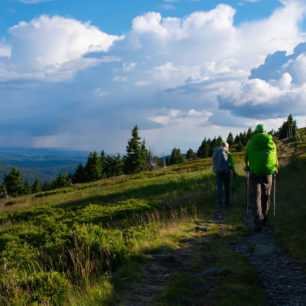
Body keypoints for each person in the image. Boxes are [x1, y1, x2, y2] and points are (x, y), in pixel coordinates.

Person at [245, 124, 278, 231]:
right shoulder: (271, 142)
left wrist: (248, 164)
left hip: (254, 172)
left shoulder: (251, 142)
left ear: (256, 132)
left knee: (256, 197)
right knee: (266, 195)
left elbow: (246, 156)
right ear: (265, 132)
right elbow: (275, 157)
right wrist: (275, 167)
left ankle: (257, 222)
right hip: (268, 172)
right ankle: (265, 220)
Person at [212, 141, 236, 208]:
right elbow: (232, 164)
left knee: (219, 188)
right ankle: (227, 203)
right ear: (227, 147)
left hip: (218, 172)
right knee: (227, 188)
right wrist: (234, 172)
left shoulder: (216, 151)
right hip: (226, 172)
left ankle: (219, 204)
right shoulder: (228, 153)